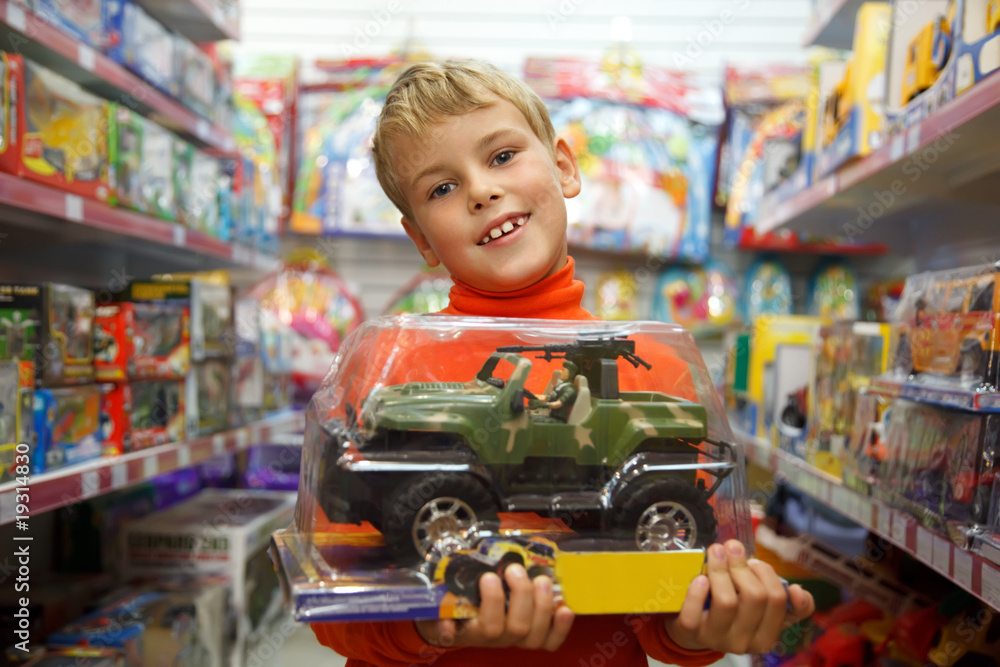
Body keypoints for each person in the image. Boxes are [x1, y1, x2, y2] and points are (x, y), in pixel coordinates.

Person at [311, 60, 815, 666]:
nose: (481, 191)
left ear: (565, 166)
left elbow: (669, 606)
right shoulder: (392, 361)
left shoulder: (656, 363)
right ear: (420, 237)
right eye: (441, 188)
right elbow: (332, 587)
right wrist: (439, 626)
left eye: (500, 156)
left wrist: (710, 621)